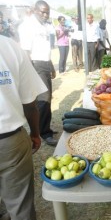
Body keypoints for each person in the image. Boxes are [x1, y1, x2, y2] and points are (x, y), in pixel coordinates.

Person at [0, 35, 48, 220]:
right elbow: (29, 103)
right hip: (10, 142)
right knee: (21, 207)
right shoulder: (9, 46)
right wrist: (35, 133)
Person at [18, 0, 58, 146]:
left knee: (48, 97)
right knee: (43, 98)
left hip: (45, 63)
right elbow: (26, 52)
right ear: (34, 10)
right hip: (35, 64)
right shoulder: (27, 26)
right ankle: (44, 133)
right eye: (42, 11)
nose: (45, 14)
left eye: (47, 12)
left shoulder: (44, 26)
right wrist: (29, 73)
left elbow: (45, 49)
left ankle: (45, 127)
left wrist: (51, 66)